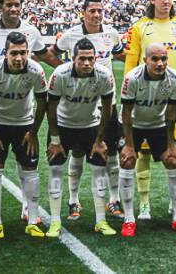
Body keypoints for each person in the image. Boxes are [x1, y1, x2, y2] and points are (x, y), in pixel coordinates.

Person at [0, 0, 60, 227]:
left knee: (26, 163)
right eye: (8, 4)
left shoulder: (30, 31)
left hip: (23, 110)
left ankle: (27, 209)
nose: (12, 9)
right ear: (0, 6)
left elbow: (44, 55)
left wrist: (65, 68)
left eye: (16, 5)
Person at [123, 0, 176, 221]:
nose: (166, 1)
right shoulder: (140, 27)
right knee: (142, 154)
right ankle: (144, 204)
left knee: (175, 150)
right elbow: (131, 62)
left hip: (173, 96)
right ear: (152, 0)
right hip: (145, 97)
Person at [51, 0, 125, 221]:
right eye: (92, 10)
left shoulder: (110, 34)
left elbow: (121, 53)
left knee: (111, 152)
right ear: (83, 12)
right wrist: (65, 69)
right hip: (79, 103)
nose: (96, 15)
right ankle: (74, 200)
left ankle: (114, 199)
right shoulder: (71, 34)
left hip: (106, 103)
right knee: (78, 150)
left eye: (100, 10)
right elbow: (53, 52)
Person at [0, 32, 50, 239]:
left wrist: (33, 133)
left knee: (31, 169)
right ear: (5, 53)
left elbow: (43, 101)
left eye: (23, 53)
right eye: (14, 53)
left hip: (24, 124)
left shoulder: (36, 70)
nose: (19, 58)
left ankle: (33, 220)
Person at [46, 38, 118, 236]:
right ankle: (54, 222)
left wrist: (100, 139)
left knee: (99, 171)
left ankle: (101, 221)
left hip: (91, 126)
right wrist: (55, 140)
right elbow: (50, 107)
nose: (87, 63)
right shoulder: (60, 74)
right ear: (72, 58)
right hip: (63, 126)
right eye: (82, 59)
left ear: (95, 58)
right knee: (55, 170)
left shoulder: (104, 75)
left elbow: (107, 108)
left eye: (90, 59)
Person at [118, 43, 176, 237]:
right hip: (133, 123)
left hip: (158, 124)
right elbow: (126, 113)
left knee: (173, 160)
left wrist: (171, 144)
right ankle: (129, 219)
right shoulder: (132, 78)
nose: (160, 63)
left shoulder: (175, 79)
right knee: (128, 161)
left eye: (164, 59)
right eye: (155, 59)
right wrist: (129, 145)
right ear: (145, 60)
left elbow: (171, 113)